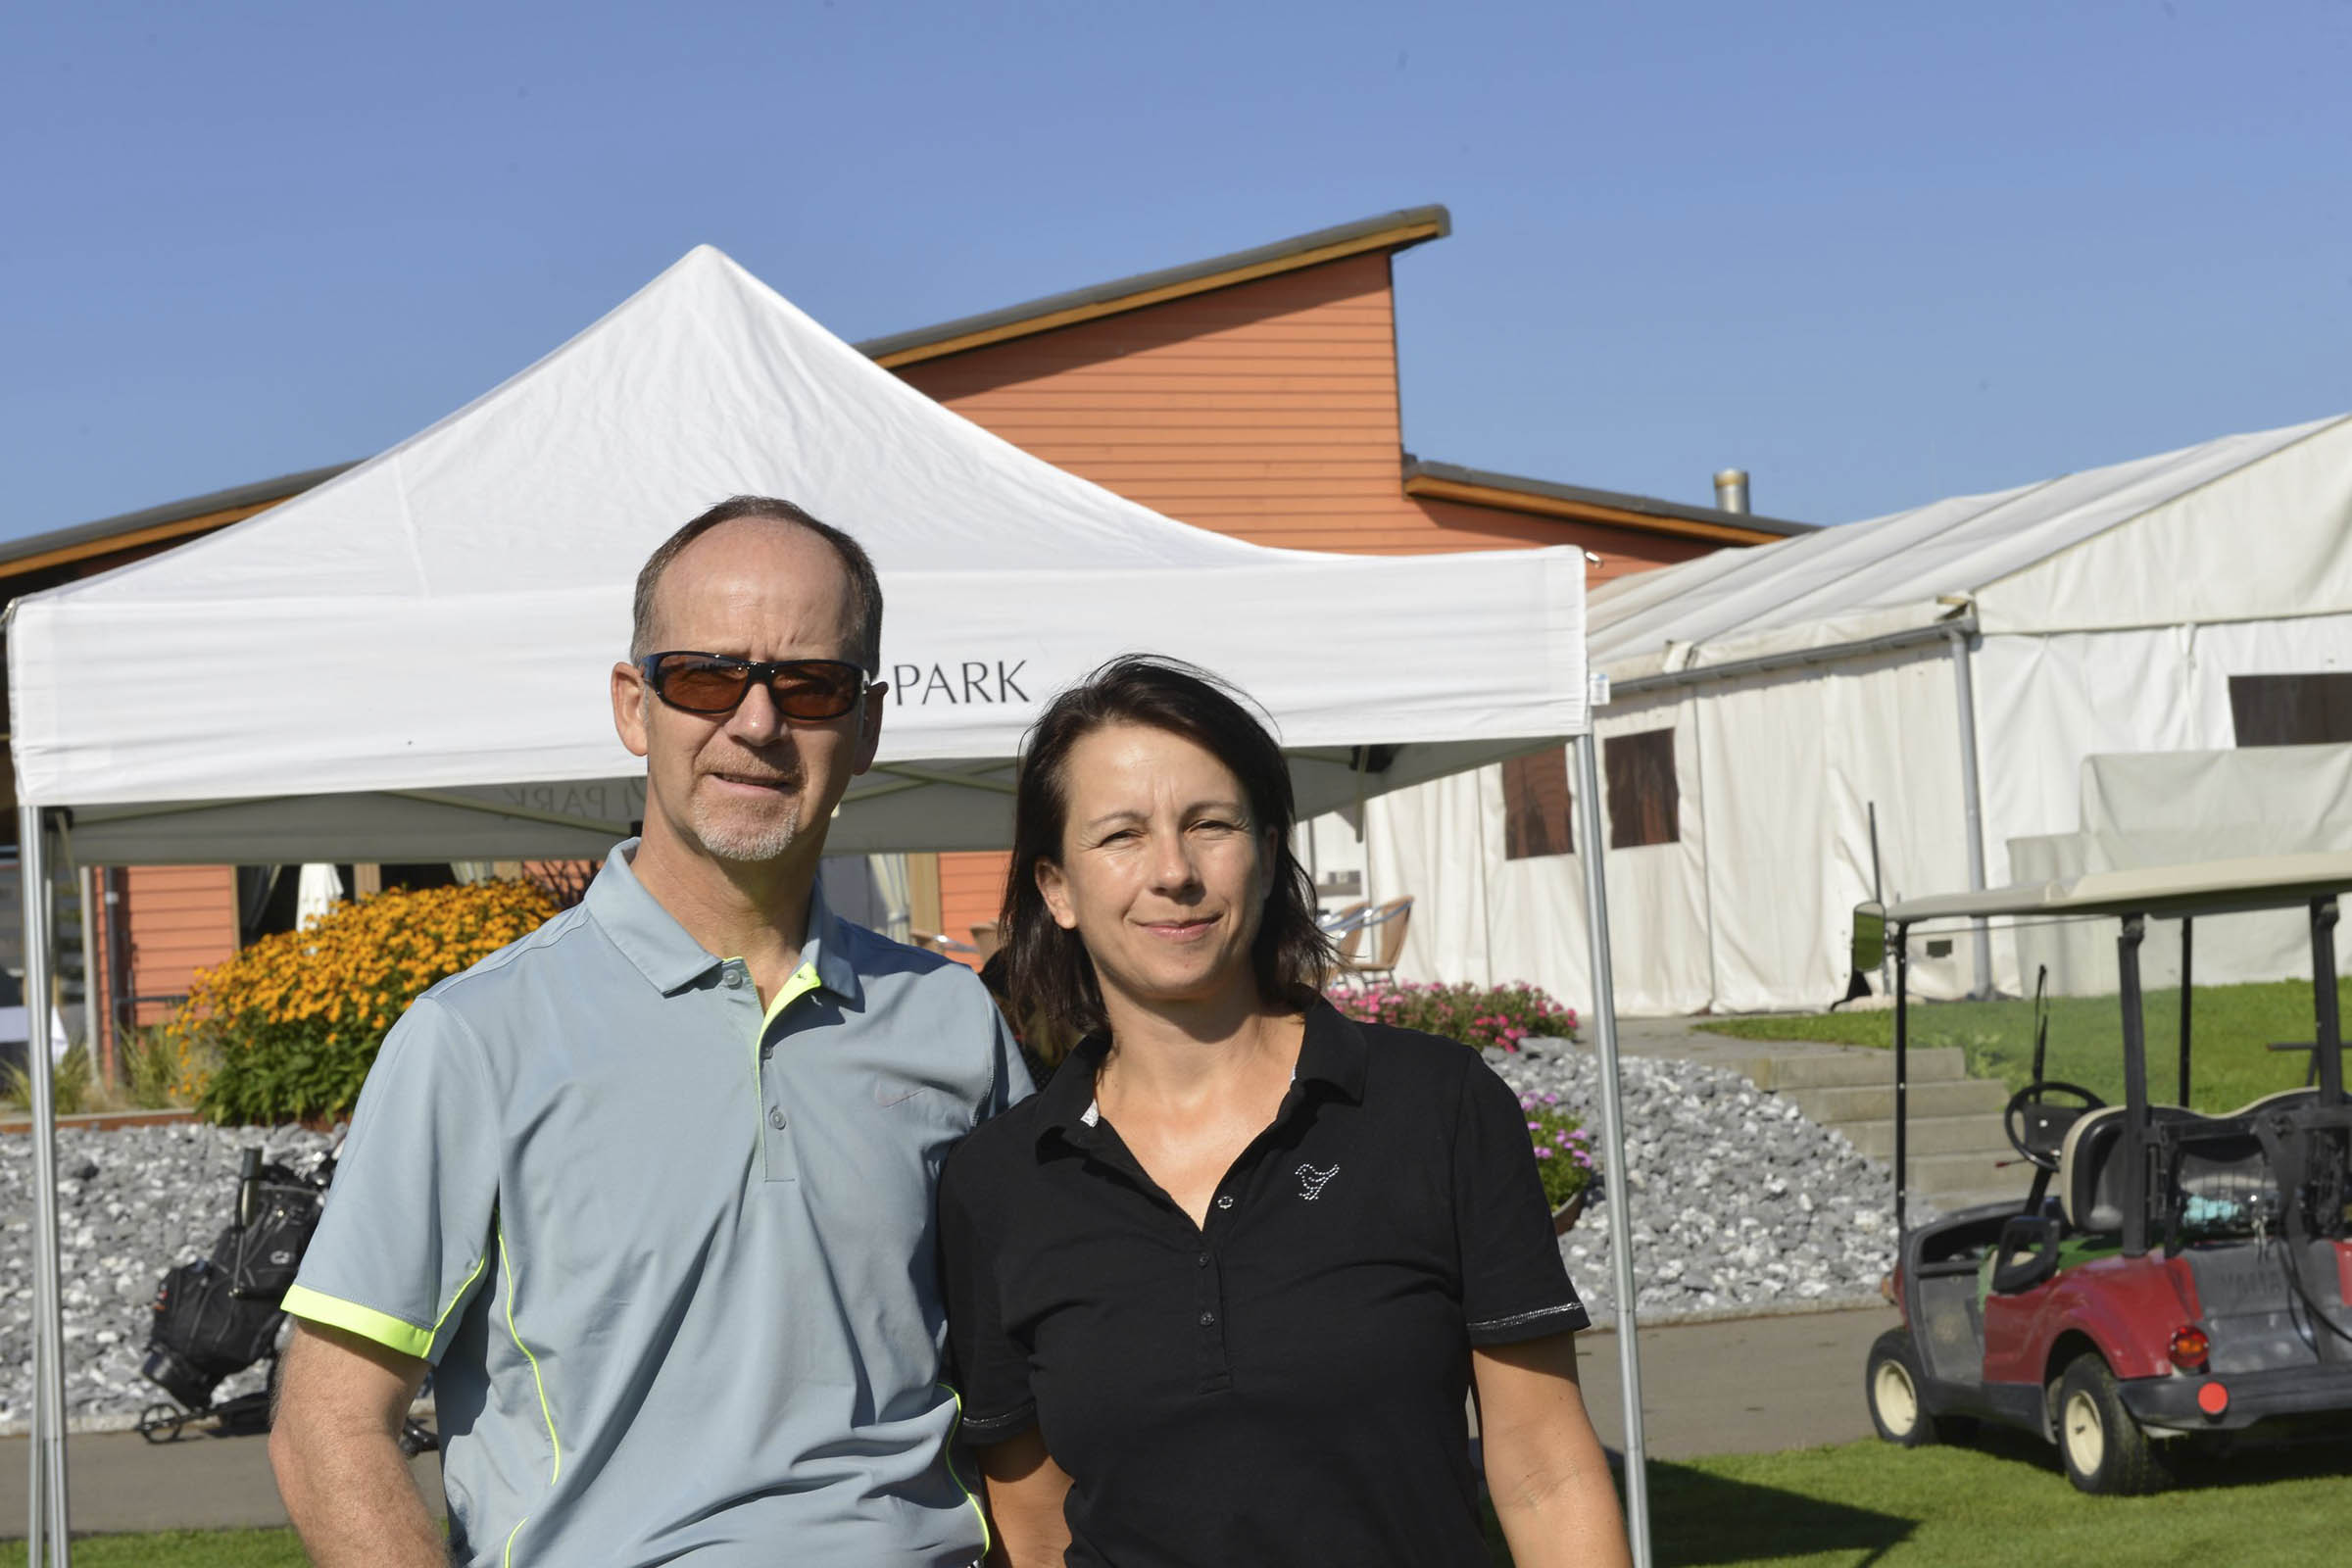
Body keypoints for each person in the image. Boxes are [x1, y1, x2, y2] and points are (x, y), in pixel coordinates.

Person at [269, 497, 1031, 1567]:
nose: (756, 723)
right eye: (707, 677)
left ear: (866, 726)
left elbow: (1037, 1380)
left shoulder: (952, 1022)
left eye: (810, 685)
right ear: (635, 706)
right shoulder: (475, 1038)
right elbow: (328, 1421)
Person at [936, 656, 1630, 1567]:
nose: (1174, 871)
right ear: (1056, 888)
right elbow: (1033, 1527)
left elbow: (1544, 1468)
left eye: (1209, 824)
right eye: (1121, 836)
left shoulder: (1435, 1106)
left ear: (1267, 853)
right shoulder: (999, 1184)